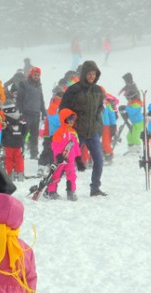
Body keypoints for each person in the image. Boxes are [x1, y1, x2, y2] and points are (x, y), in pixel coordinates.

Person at [59, 60, 107, 197]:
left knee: (99, 161)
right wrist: (69, 123)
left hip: (93, 132)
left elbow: (99, 109)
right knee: (67, 161)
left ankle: (95, 188)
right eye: (89, 73)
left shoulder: (98, 90)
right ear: (84, 74)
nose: (92, 76)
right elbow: (63, 109)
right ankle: (58, 187)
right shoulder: (73, 90)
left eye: (94, 74)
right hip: (76, 132)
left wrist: (99, 126)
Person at [45, 109, 86, 201]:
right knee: (56, 175)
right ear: (64, 119)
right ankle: (52, 191)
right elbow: (55, 145)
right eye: (69, 119)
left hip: (70, 160)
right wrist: (58, 155)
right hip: (60, 159)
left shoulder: (73, 132)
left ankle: (71, 191)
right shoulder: (59, 132)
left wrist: (78, 159)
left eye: (73, 118)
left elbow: (76, 147)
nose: (71, 121)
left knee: (72, 175)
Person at [17, 67, 46, 159]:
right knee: (23, 134)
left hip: (36, 114)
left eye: (38, 75)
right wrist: (20, 112)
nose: (36, 76)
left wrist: (44, 112)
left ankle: (34, 154)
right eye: (35, 74)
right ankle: (19, 152)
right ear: (31, 74)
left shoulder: (39, 85)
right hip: (26, 113)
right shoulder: (24, 84)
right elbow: (19, 99)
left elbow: (41, 100)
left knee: (35, 135)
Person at [1, 100, 27, 182]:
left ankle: (9, 175)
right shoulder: (20, 116)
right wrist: (21, 136)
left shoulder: (3, 117)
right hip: (19, 141)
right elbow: (26, 129)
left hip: (7, 142)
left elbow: (2, 130)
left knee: (8, 158)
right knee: (19, 158)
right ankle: (20, 174)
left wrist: (3, 140)